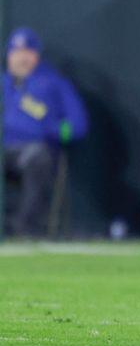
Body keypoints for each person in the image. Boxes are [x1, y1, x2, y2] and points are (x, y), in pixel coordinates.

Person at [3, 27, 88, 238]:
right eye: (15, 52)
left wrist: (53, 130)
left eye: (26, 52)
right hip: (5, 149)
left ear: (36, 56)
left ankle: (25, 228)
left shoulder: (54, 84)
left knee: (37, 157)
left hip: (35, 151)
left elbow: (77, 126)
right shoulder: (3, 84)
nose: (21, 58)